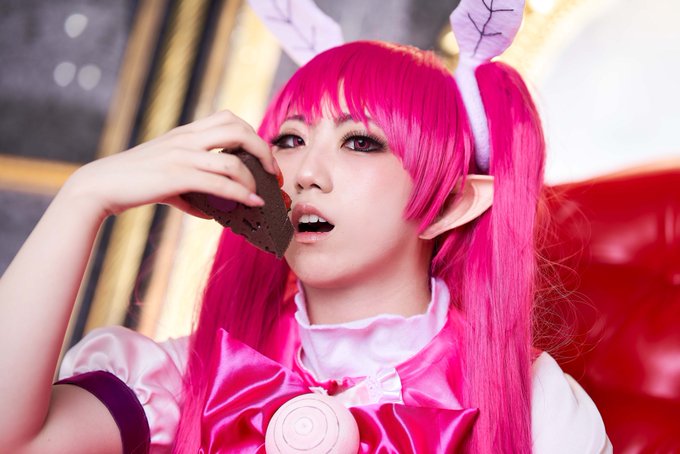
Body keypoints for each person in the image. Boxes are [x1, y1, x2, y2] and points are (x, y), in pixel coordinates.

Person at [0, 41, 611, 453]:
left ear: (449, 204)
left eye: (361, 142)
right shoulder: (188, 377)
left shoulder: (530, 402)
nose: (305, 174)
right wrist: (84, 198)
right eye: (289, 140)